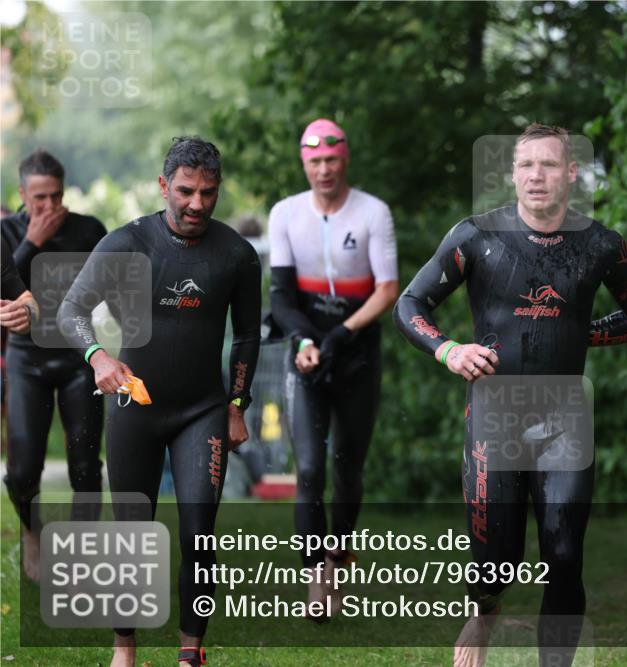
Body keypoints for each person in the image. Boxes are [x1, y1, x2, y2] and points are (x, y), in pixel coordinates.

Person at [393, 123, 627, 666]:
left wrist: (581, 332)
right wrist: (450, 351)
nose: (536, 175)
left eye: (548, 165)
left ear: (570, 173)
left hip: (565, 419)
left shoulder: (601, 245)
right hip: (494, 416)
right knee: (496, 562)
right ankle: (483, 612)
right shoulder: (476, 237)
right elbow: (410, 304)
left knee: (563, 556)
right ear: (513, 174)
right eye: (526, 165)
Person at [57, 137, 261, 667]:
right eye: (187, 191)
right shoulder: (127, 244)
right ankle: (124, 649)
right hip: (134, 404)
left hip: (203, 410)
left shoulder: (236, 254)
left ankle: (190, 654)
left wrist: (237, 403)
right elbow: (71, 311)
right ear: (163, 185)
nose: (197, 204)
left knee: (199, 531)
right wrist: (98, 356)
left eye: (208, 194)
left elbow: (245, 338)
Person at [267, 117, 398, 618]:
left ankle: (338, 560)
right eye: (314, 161)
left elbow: (387, 289)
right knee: (308, 470)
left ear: (346, 160)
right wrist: (302, 339)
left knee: (346, 467)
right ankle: (315, 580)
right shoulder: (286, 214)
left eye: (332, 160)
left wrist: (341, 336)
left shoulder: (373, 212)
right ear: (304, 163)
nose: (323, 170)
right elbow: (279, 296)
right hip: (307, 348)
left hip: (357, 349)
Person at [1, 150, 106, 582]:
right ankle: (32, 533)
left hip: (79, 357)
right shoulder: (7, 233)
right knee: (23, 470)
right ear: (23, 194)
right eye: (40, 198)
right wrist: (33, 243)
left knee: (85, 466)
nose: (49, 207)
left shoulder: (88, 230)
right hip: (27, 360)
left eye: (57, 196)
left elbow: (110, 289)